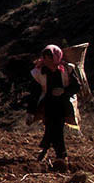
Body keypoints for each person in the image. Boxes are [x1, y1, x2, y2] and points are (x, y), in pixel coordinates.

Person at [27, 44, 81, 172]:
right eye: (45, 58)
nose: (47, 61)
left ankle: (58, 154)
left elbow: (76, 86)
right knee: (52, 127)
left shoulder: (67, 69)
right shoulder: (39, 72)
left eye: (50, 58)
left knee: (56, 128)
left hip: (63, 103)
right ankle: (56, 153)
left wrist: (63, 91)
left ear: (56, 58)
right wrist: (30, 111)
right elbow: (34, 93)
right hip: (48, 104)